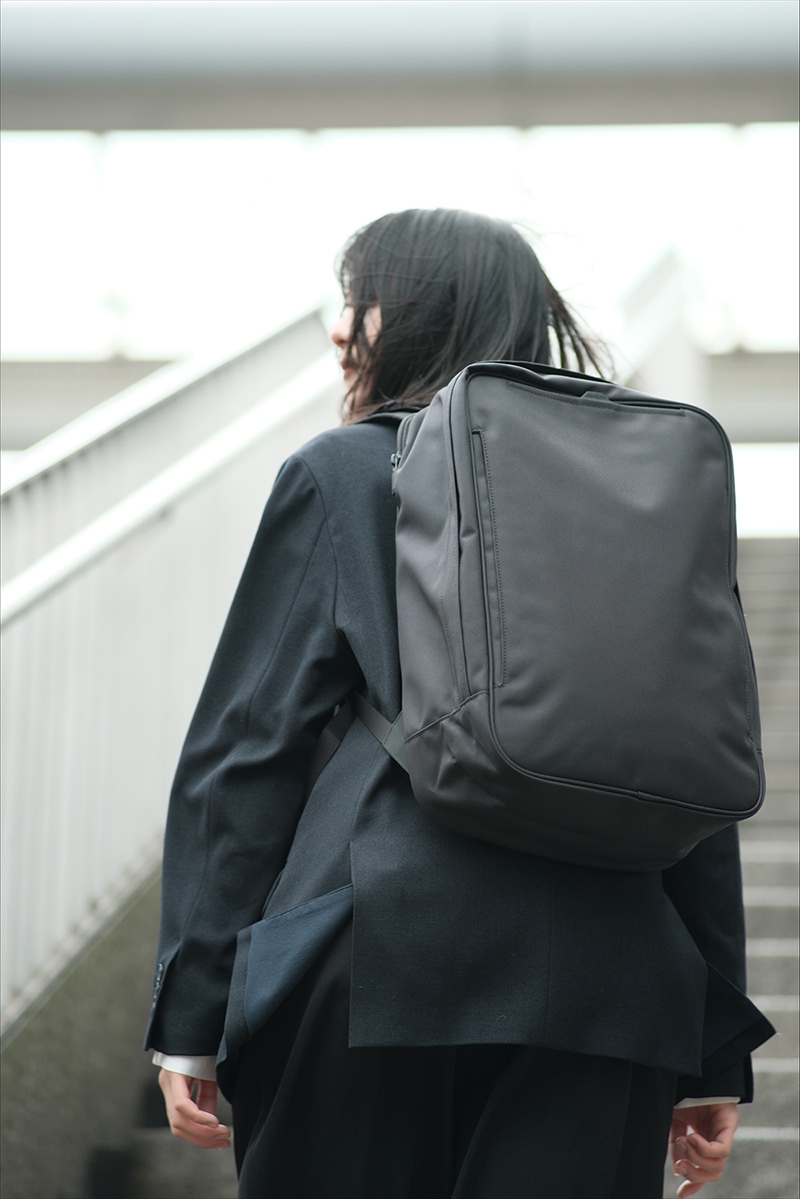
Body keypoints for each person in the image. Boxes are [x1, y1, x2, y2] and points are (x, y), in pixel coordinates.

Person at [145, 208, 774, 1199]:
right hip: (613, 982)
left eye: (358, 301)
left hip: (375, 953)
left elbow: (247, 749)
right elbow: (690, 761)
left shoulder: (347, 469)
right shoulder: (654, 494)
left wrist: (191, 1011)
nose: (339, 328)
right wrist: (711, 1053)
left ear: (414, 314)